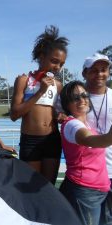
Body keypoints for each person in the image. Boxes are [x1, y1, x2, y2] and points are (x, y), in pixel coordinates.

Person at [10, 25, 68, 184]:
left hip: (52, 140)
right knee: (29, 187)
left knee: (47, 187)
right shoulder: (24, 80)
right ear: (41, 56)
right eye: (54, 61)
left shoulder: (58, 85)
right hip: (30, 141)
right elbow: (14, 114)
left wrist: (60, 116)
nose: (57, 67)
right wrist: (40, 91)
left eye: (61, 64)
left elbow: (58, 113)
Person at [59, 80, 112, 225]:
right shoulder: (71, 125)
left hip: (100, 189)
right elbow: (89, 140)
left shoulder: (87, 123)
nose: (82, 100)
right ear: (67, 104)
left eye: (84, 95)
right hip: (85, 192)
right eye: (75, 98)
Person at [83, 53, 112, 188]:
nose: (100, 74)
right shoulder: (75, 98)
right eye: (94, 70)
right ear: (84, 73)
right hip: (87, 171)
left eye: (103, 70)